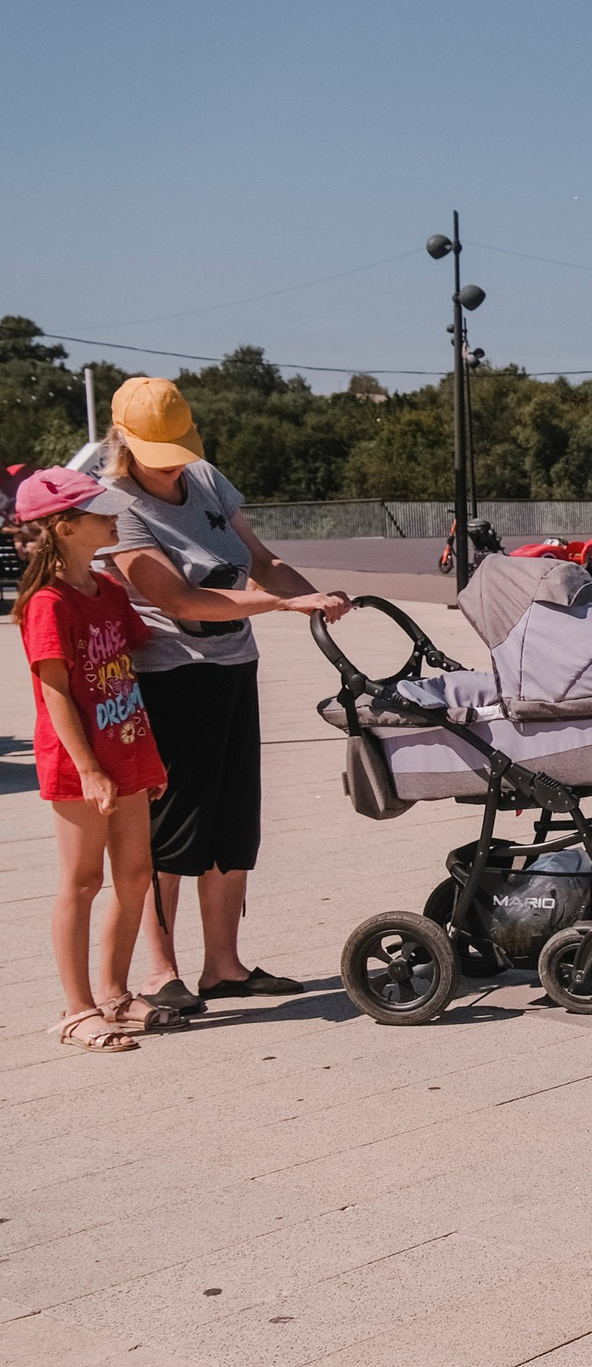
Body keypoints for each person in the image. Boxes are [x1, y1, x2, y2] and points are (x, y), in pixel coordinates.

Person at [97, 379, 350, 1014]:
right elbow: (177, 599)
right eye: (159, 451)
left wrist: (318, 596)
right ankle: (160, 972)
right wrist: (285, 603)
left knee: (233, 821)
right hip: (168, 676)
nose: (171, 462)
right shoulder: (117, 505)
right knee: (175, 827)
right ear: (123, 441)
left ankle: (223, 966)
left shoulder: (207, 479)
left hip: (233, 664)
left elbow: (262, 560)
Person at [14, 470, 174, 1053]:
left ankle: (113, 993)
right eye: (99, 512)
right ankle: (76, 1010)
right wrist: (88, 768)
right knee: (81, 882)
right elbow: (55, 692)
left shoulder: (106, 590)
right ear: (64, 527)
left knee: (134, 878)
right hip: (78, 763)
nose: (113, 519)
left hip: (127, 752)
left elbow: (130, 666)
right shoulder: (47, 605)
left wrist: (146, 757)